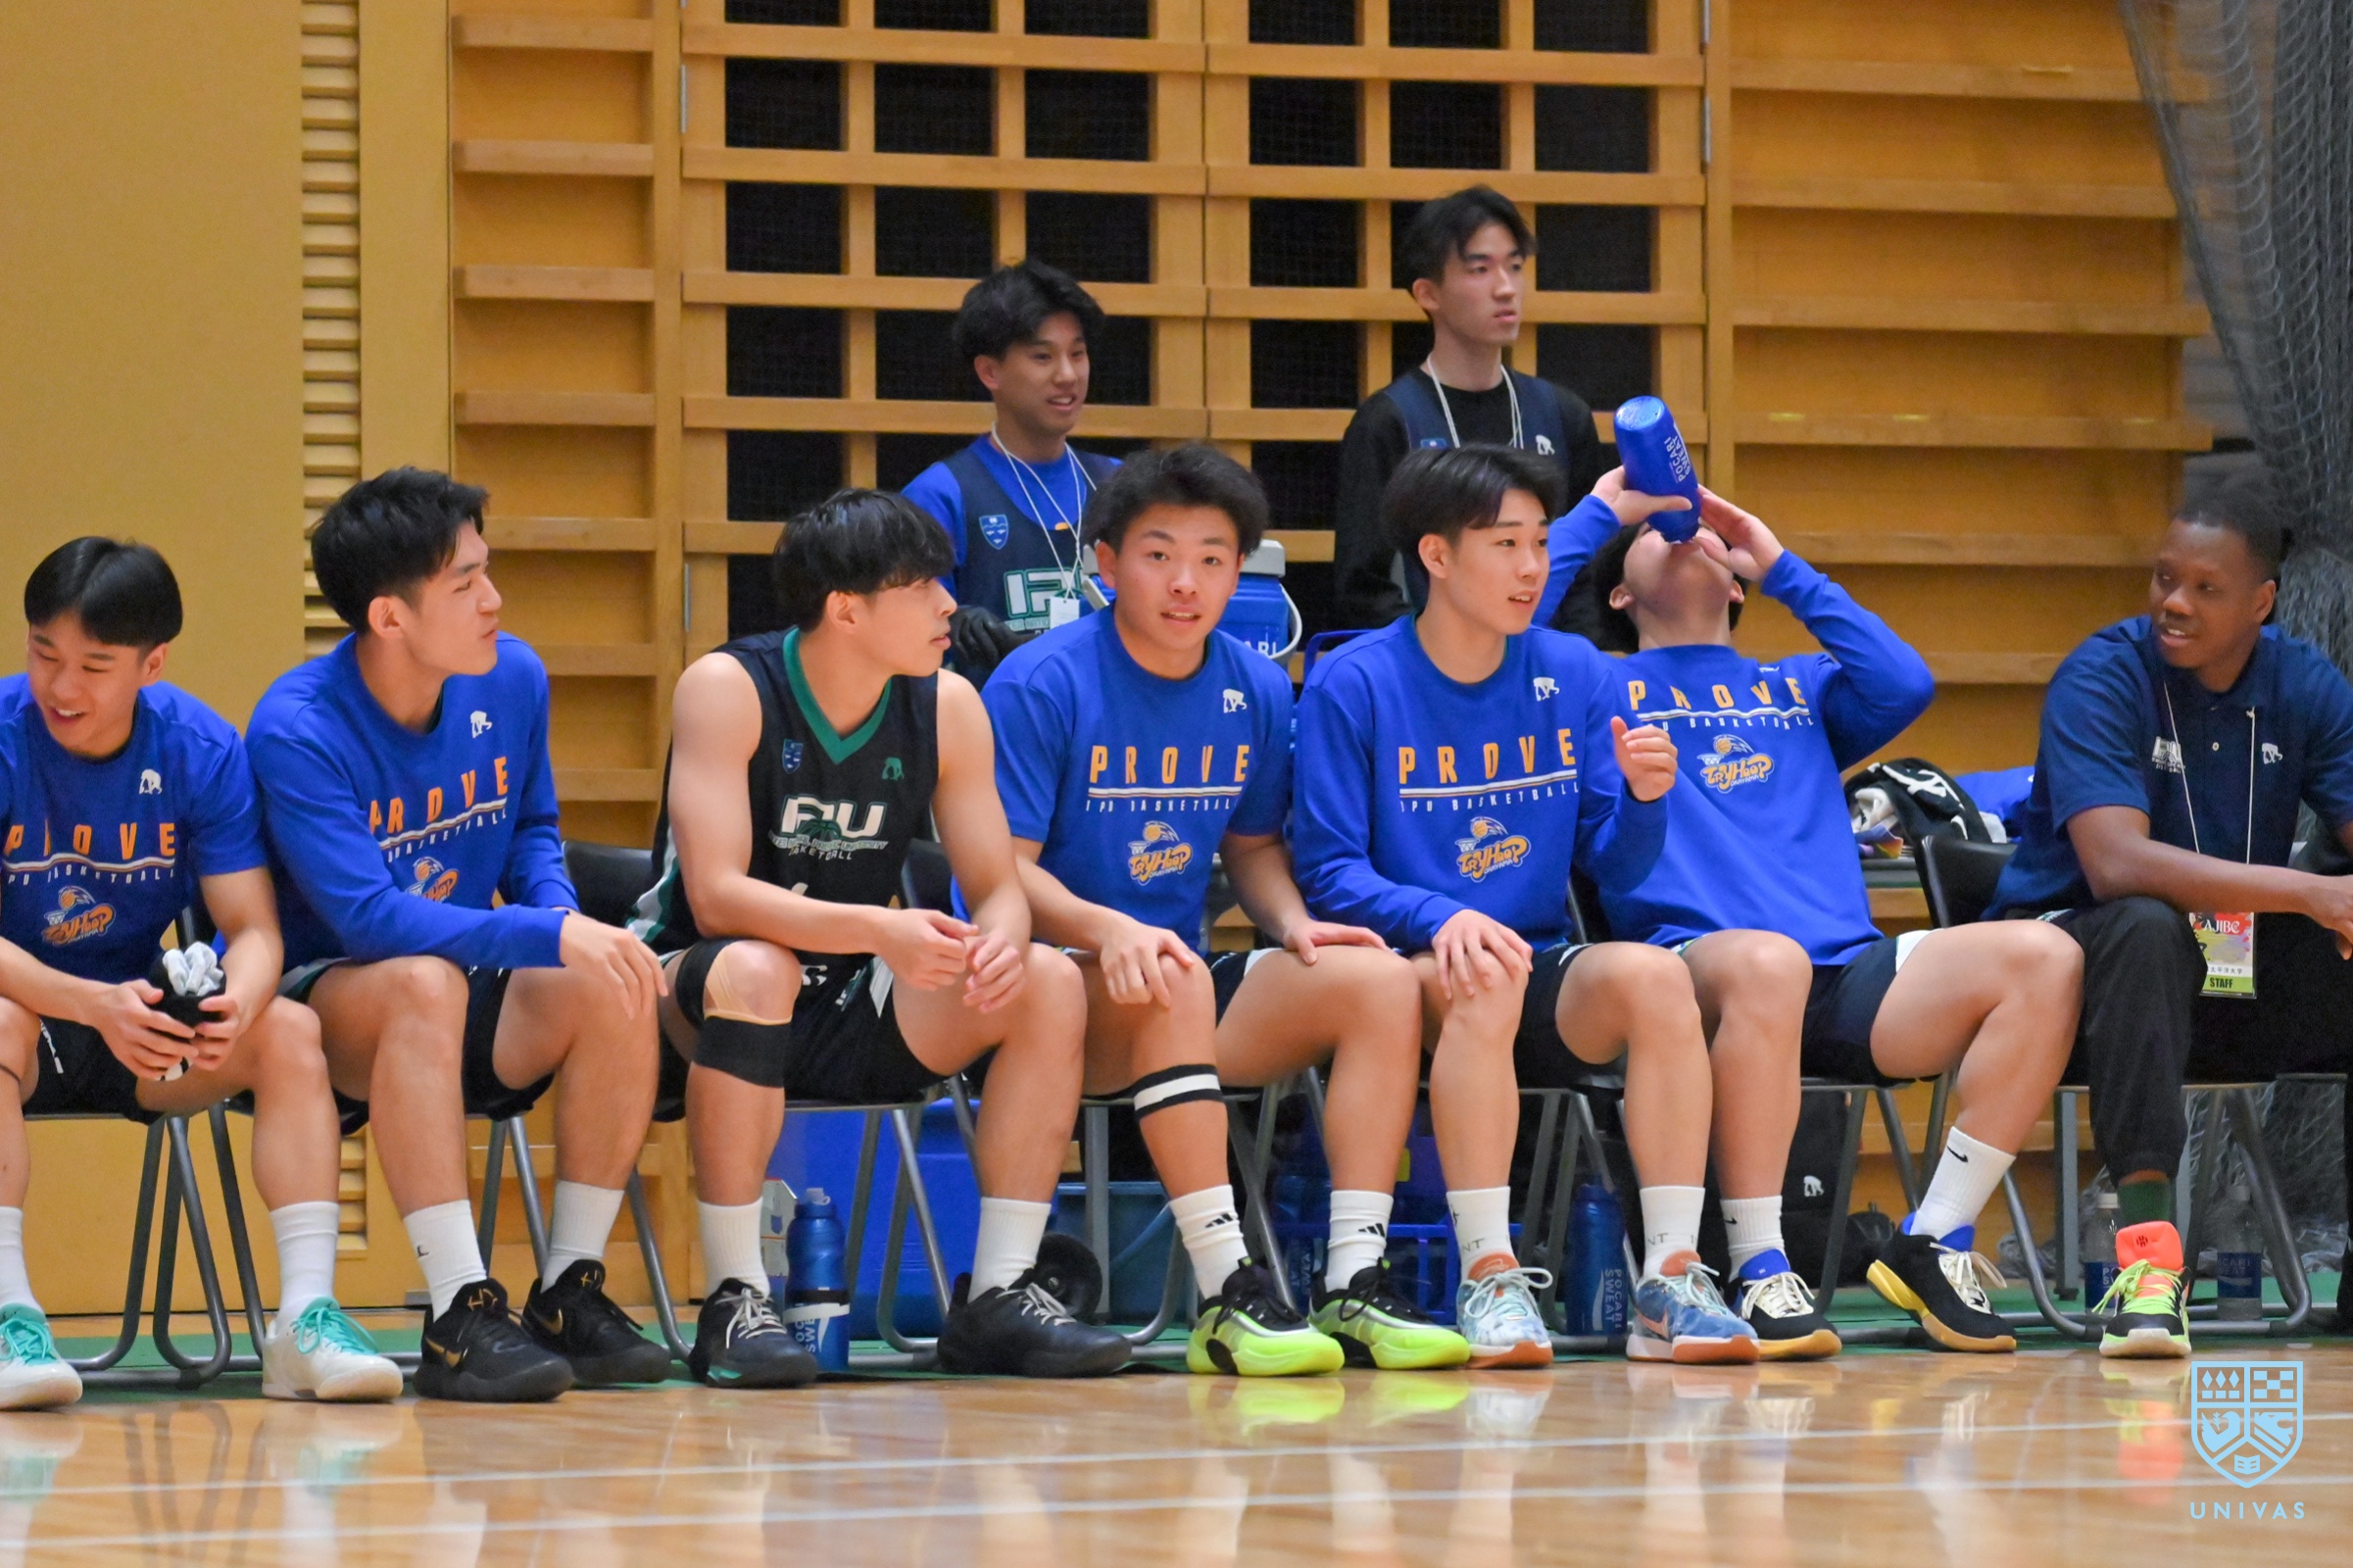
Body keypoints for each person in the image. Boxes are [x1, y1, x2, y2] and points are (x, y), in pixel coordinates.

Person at [984, 444, 1467, 1375]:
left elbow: (1250, 849)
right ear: (1105, 563)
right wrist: (1107, 930)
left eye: (1211, 558)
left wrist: (1292, 923)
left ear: (1238, 569)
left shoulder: (1255, 684)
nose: (1185, 582)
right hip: (1054, 991)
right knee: (1174, 979)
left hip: (1172, 987)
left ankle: (1353, 1281)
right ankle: (1226, 1292)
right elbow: (1001, 875)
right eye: (1158, 555)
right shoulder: (1042, 681)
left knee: (1375, 981)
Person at [632, 488, 1132, 1382]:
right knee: (757, 967)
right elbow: (714, 898)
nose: (949, 604)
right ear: (846, 609)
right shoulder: (727, 687)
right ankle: (735, 1299)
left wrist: (999, 939)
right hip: (695, 1000)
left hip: (854, 997)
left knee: (1048, 980)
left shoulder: (948, 704)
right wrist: (878, 927)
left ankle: (999, 1294)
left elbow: (997, 885)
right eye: (921, 586)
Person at [1575, 477, 2083, 1355]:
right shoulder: (1592, 691)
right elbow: (1609, 859)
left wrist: (1779, 565)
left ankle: (1933, 1238)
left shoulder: (1799, 685)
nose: (1684, 531)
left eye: (1702, 533)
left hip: (1839, 975)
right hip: (1695, 974)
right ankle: (1758, 1262)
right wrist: (1599, 516)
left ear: (1739, 588)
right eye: (1655, 532)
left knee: (2046, 956)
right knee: (1767, 962)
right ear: (1620, 593)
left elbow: (1903, 681)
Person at [1294, 443, 1763, 1366]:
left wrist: (1643, 799)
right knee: (1486, 975)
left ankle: (1671, 1279)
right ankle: (1490, 1275)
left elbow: (1615, 867)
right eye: (1504, 544)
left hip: (1535, 959)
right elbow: (1328, 871)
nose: (1530, 567)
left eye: (1540, 543)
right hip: (1407, 968)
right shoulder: (1357, 680)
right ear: (1436, 555)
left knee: (1655, 978)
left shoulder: (1576, 670)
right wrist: (1439, 917)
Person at [249, 469, 672, 1403]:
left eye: (487, 571)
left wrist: (562, 922)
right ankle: (458, 1307)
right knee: (421, 979)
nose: (494, 600)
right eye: (465, 583)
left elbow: (532, 831)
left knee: (610, 972)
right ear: (389, 617)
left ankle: (567, 1290)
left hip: (464, 982)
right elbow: (368, 918)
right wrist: (540, 934)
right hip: (331, 1007)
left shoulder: (512, 676)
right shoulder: (297, 728)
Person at [0, 539, 400, 1408]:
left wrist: (235, 1005)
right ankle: (7, 1315)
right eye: (43, 653)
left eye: (93, 667)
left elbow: (251, 928)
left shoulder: (200, 749)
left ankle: (305, 1322)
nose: (61, 687)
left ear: (152, 664)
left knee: (288, 1029)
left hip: (144, 1032)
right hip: (28, 1017)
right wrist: (90, 1003)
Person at [1987, 466, 2353, 1352]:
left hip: (2224, 975)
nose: (2174, 604)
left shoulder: (2301, 682)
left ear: (2261, 602)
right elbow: (2114, 865)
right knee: (2147, 927)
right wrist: (2309, 890)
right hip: (2076, 985)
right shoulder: (2102, 675)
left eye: (2204, 588)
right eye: (2163, 579)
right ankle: (2147, 1266)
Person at [1332, 186, 1606, 629]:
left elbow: (1587, 574)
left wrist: (1569, 656)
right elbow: (1364, 588)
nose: (1506, 288)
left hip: (1546, 662)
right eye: (1480, 269)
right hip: (1429, 664)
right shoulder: (1389, 421)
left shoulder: (1562, 415)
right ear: (1428, 294)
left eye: (1514, 267)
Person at [902, 262, 1124, 682]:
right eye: (1043, 357)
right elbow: (904, 642)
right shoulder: (941, 495)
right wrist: (956, 624)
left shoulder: (1122, 486)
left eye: (1077, 354)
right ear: (990, 371)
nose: (1068, 375)